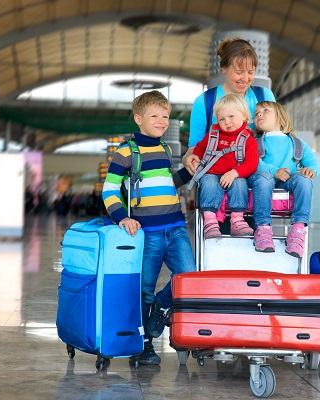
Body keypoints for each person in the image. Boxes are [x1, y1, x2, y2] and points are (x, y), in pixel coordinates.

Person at [102, 90, 195, 365]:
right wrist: (122, 217)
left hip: (176, 226)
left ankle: (160, 306)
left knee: (188, 276)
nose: (162, 121)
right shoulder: (126, 152)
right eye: (155, 116)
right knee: (144, 288)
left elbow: (169, 184)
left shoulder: (165, 149)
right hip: (149, 233)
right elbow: (109, 190)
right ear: (138, 119)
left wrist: (188, 170)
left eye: (165, 116)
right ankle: (145, 344)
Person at [183, 37, 276, 174]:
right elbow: (194, 147)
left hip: (260, 171)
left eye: (250, 72)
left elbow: (278, 135)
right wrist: (188, 158)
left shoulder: (264, 97)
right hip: (219, 174)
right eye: (239, 72)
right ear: (224, 68)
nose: (245, 79)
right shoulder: (205, 101)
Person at [249, 101, 320, 258]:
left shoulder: (297, 144)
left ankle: (298, 229)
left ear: (280, 119)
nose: (259, 114)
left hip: (287, 180)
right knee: (264, 178)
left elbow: (313, 163)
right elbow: (255, 163)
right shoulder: (254, 143)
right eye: (256, 113)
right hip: (263, 179)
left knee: (304, 180)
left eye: (265, 111)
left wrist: (310, 170)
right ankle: (263, 228)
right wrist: (275, 172)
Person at [191, 93, 258, 239]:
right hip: (212, 172)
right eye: (222, 119)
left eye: (231, 117)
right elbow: (201, 148)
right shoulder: (213, 134)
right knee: (207, 182)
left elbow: (252, 164)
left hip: (234, 174)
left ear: (244, 116)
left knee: (241, 184)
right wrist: (196, 157)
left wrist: (235, 172)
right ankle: (209, 220)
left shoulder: (248, 140)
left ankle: (237, 219)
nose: (227, 122)